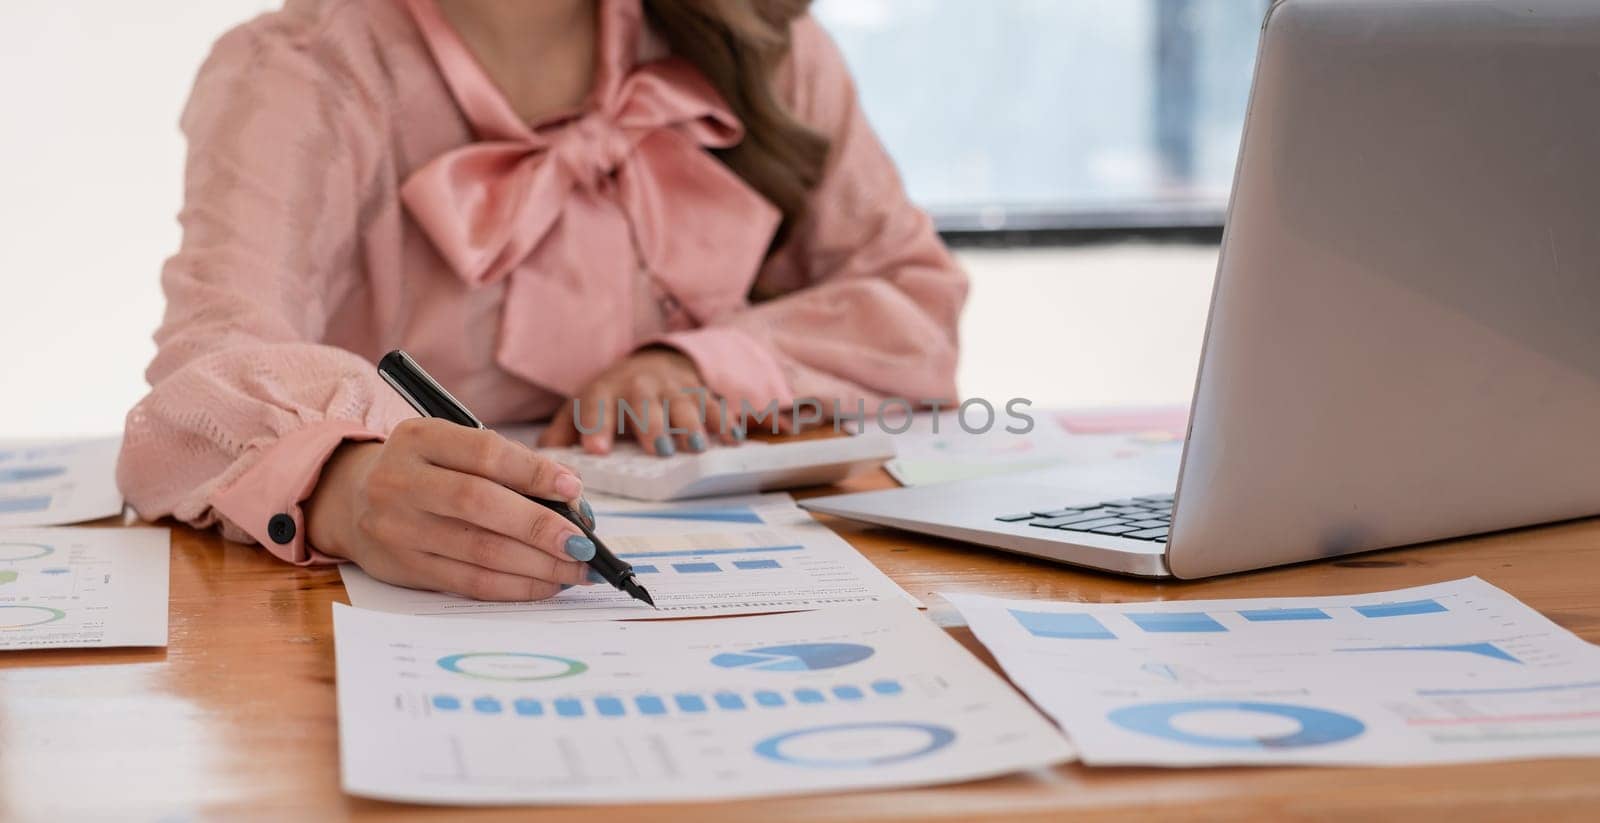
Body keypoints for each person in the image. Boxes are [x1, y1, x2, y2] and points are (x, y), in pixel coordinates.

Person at [117, 0, 967, 601]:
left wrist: (702, 361)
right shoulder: (298, 75)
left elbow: (911, 299)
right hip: (395, 624)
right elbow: (205, 373)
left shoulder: (768, 38)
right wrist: (344, 484)